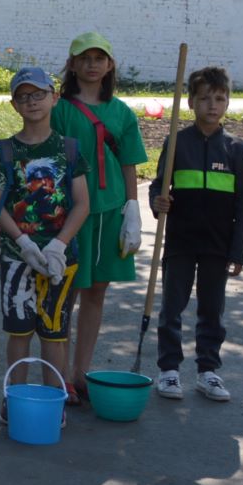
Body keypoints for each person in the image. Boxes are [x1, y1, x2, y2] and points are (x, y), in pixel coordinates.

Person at [0, 67, 90, 420]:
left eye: (38, 94)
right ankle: (14, 397)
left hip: (61, 260)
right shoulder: (5, 151)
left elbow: (83, 203)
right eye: (23, 96)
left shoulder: (69, 149)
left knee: (55, 331)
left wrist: (59, 245)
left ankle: (52, 399)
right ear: (13, 105)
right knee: (18, 330)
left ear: (54, 97)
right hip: (18, 258)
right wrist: (23, 242)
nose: (31, 102)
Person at [51, 31, 148, 404]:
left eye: (99, 58)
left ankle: (81, 372)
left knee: (97, 292)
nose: (92, 64)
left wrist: (133, 210)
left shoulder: (121, 112)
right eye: (84, 58)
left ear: (109, 65)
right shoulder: (59, 110)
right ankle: (61, 377)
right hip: (73, 214)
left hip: (110, 211)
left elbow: (128, 164)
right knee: (67, 293)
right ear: (72, 64)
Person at [149, 65, 243, 402]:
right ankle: (169, 371)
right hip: (180, 240)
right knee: (172, 307)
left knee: (212, 309)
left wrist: (238, 251)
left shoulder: (236, 150)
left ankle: (208, 371)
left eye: (219, 98)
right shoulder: (177, 143)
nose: (212, 104)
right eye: (205, 98)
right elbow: (157, 185)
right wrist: (157, 202)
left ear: (227, 104)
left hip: (217, 246)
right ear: (191, 102)